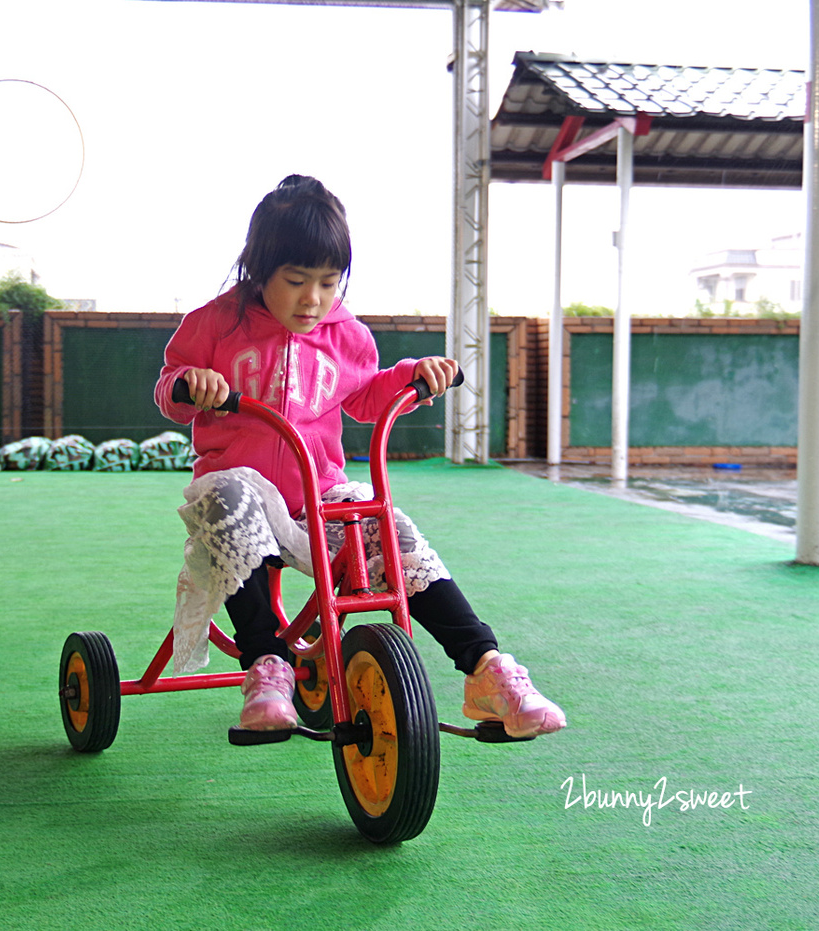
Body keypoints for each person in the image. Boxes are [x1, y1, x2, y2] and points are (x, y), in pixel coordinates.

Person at [153, 175, 565, 740]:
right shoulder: (216, 324)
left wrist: (409, 376)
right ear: (258, 269)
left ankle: (485, 667)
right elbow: (169, 390)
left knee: (386, 526)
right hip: (237, 491)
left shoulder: (346, 334)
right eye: (296, 281)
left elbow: (367, 397)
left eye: (328, 282)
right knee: (229, 497)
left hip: (317, 494)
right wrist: (189, 383)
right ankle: (267, 668)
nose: (313, 299)